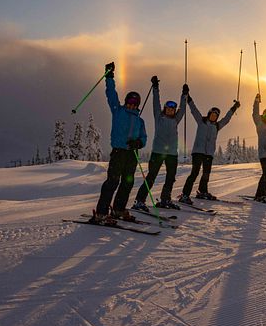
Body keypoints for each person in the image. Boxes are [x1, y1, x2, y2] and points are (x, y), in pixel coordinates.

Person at [92, 62, 147, 223]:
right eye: (129, 101)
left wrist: (139, 143)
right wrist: (109, 76)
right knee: (112, 181)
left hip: (132, 154)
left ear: (138, 105)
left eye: (134, 103)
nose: (131, 104)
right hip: (118, 152)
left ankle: (118, 209)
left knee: (127, 183)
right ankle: (101, 212)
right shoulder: (118, 111)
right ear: (126, 101)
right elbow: (111, 94)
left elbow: (144, 137)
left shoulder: (140, 120)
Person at [132, 77, 188, 211]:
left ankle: (165, 199)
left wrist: (184, 94)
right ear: (164, 109)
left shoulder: (176, 119)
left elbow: (183, 108)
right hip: (158, 152)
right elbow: (155, 102)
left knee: (170, 178)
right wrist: (155, 87)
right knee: (151, 177)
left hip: (172, 154)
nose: (170, 110)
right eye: (168, 108)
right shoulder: (159, 116)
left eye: (173, 109)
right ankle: (140, 200)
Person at [178, 95, 240, 203]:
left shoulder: (217, 126)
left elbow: (226, 119)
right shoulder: (201, 121)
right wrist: (189, 98)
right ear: (209, 114)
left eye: (216, 116)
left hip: (209, 154)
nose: (214, 117)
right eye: (212, 114)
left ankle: (203, 191)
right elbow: (194, 110)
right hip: (198, 152)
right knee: (194, 173)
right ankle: (185, 194)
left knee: (206, 174)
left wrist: (234, 108)